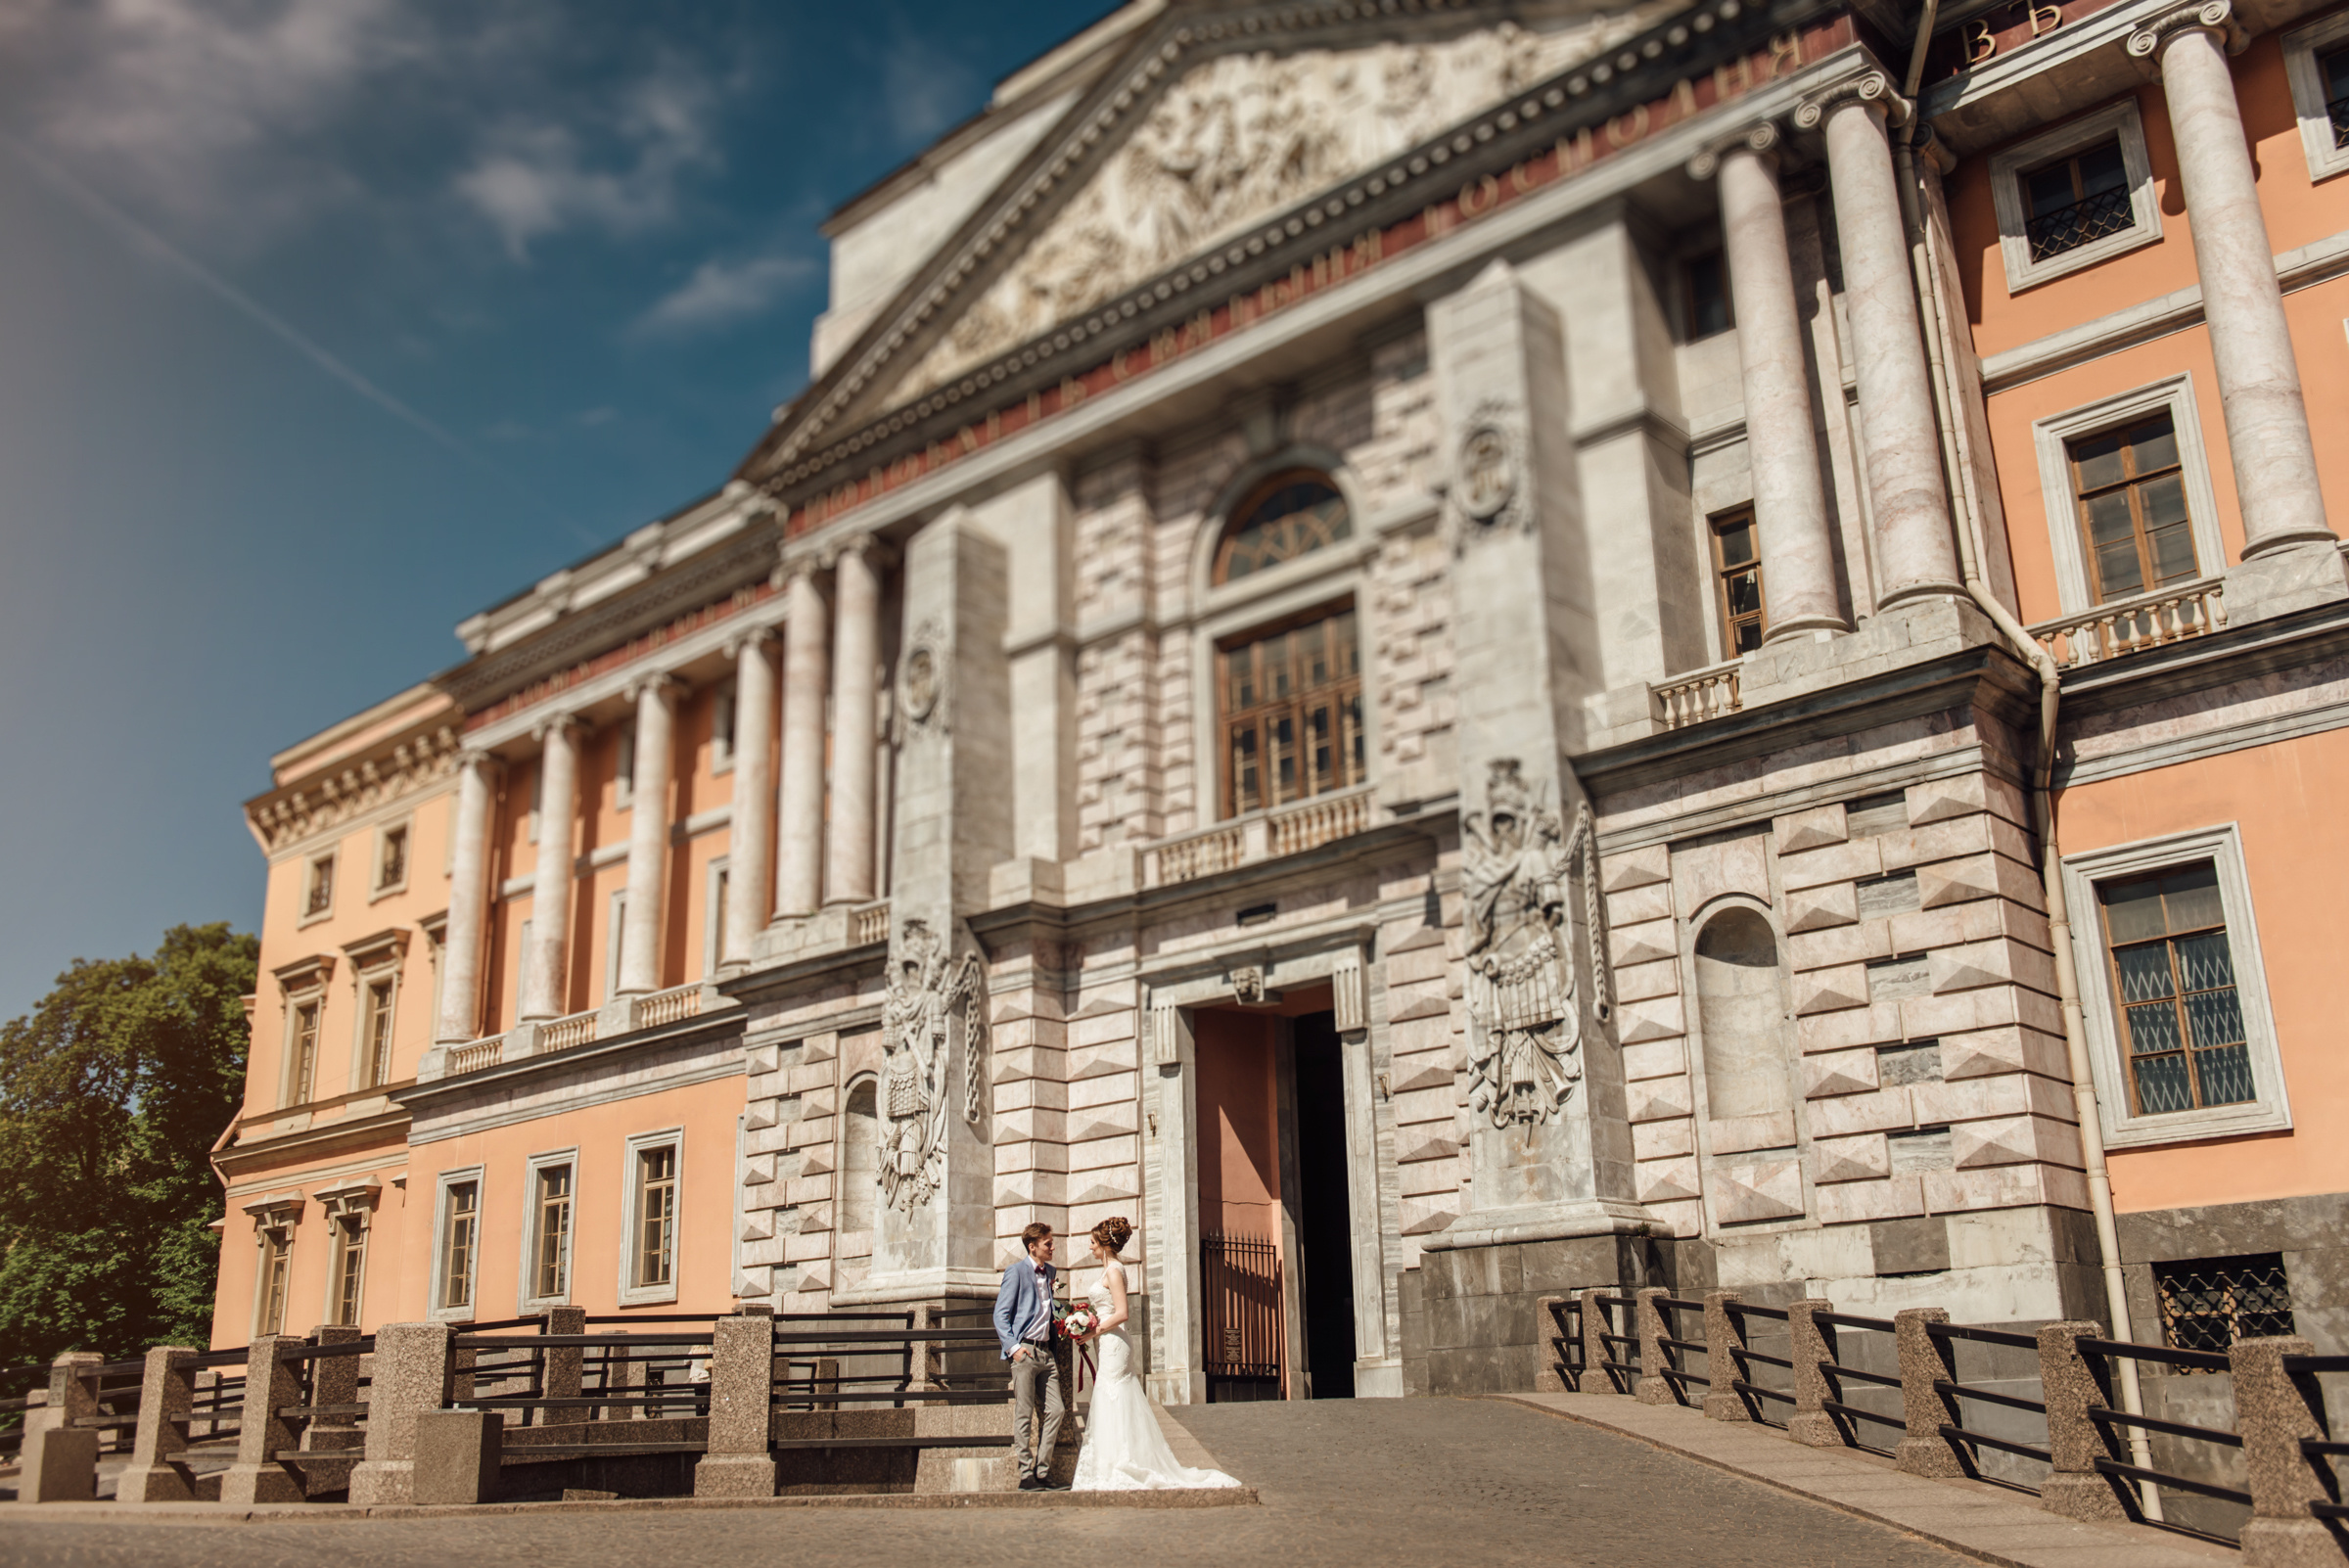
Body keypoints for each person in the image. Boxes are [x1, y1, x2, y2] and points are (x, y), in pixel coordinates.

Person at [1067, 1216, 1241, 1491]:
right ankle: (1113, 1460)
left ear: (1104, 1243)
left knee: (1111, 1396)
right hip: (1107, 1341)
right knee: (1113, 1398)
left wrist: (1093, 1329)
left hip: (1113, 1342)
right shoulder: (1110, 1269)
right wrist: (1086, 1321)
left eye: (1092, 1242)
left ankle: (1119, 1463)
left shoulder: (1113, 1270)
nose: (1090, 1248)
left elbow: (1122, 1313)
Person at [992, 1220, 1067, 1491]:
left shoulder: (1051, 1271)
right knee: (1024, 1414)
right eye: (1048, 1244)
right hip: (1025, 1352)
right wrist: (1015, 1349)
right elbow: (1001, 1316)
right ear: (1032, 1247)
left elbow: (1047, 1308)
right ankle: (1026, 1474)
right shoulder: (1015, 1272)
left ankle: (1043, 1470)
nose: (1053, 1247)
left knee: (1056, 1410)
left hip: (1047, 1354)